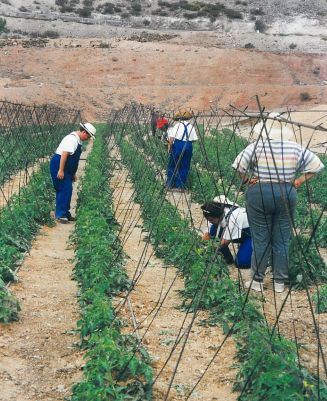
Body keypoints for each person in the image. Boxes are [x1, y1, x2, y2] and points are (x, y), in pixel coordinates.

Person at [232, 113, 324, 292]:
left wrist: (246, 180)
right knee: (282, 239)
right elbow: (317, 165)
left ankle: (257, 281)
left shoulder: (256, 146)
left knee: (260, 238)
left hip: (260, 192)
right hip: (286, 193)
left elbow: (238, 165)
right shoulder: (295, 148)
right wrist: (297, 182)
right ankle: (279, 283)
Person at [50, 122, 96, 223]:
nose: (88, 139)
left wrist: (72, 173)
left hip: (66, 168)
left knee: (68, 189)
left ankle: (65, 213)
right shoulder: (72, 139)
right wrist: (61, 170)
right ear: (84, 132)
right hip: (59, 164)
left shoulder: (77, 140)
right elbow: (64, 155)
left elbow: (72, 159)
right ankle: (61, 215)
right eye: (88, 137)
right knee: (64, 189)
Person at [201, 196, 252, 268]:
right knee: (213, 230)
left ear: (218, 216)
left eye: (211, 220)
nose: (210, 222)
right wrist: (200, 246)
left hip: (250, 235)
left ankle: (257, 252)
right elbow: (207, 235)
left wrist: (207, 249)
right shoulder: (214, 213)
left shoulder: (233, 217)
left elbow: (224, 242)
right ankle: (227, 258)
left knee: (242, 263)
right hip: (235, 233)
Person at [166, 110, 198, 192]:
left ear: (180, 119)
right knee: (185, 166)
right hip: (188, 145)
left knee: (173, 164)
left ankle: (170, 185)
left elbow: (171, 138)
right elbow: (194, 139)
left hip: (178, 145)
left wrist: (169, 148)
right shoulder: (191, 126)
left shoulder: (177, 125)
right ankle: (180, 186)